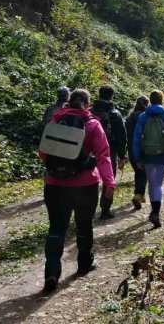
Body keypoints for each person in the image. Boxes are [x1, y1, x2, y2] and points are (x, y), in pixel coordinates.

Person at [39, 88, 115, 293]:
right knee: (84, 224)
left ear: (68, 102)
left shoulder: (55, 122)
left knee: (56, 227)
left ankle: (52, 272)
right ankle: (84, 263)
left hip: (54, 184)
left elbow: (43, 153)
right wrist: (109, 182)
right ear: (87, 104)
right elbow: (103, 155)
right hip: (85, 185)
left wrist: (59, 168)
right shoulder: (92, 124)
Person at [132, 90, 164, 228]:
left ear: (151, 100)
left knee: (152, 182)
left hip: (147, 155)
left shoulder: (143, 117)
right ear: (161, 100)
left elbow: (136, 138)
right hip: (163, 154)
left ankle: (153, 211)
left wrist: (137, 157)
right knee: (158, 184)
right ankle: (155, 212)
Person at [91, 85, 127, 220]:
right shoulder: (115, 114)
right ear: (112, 96)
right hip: (109, 151)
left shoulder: (89, 111)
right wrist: (122, 156)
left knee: (91, 180)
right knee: (108, 180)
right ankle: (105, 210)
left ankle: (88, 208)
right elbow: (121, 136)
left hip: (90, 151)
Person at [125, 95, 149, 210]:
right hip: (143, 148)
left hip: (131, 148)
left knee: (138, 171)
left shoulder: (129, 118)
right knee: (142, 172)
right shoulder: (146, 117)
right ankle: (138, 195)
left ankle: (141, 194)